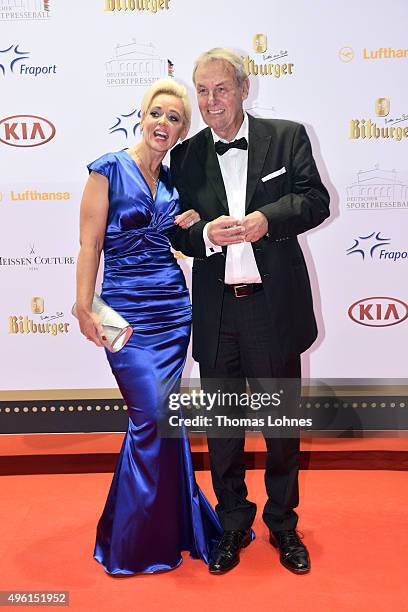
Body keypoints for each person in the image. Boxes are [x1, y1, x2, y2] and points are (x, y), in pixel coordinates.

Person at [170, 48, 330, 575]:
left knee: (280, 427)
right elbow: (178, 230)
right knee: (223, 429)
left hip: (272, 308)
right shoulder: (186, 156)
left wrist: (267, 218)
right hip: (217, 312)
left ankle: (284, 526)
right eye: (203, 91)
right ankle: (232, 524)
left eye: (221, 89)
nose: (211, 101)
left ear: (243, 88)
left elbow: (315, 199)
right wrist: (203, 236)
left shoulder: (287, 137)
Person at [75, 78, 222, 575]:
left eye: (175, 118)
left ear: (183, 130)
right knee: (148, 418)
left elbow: (184, 237)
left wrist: (192, 221)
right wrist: (83, 307)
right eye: (157, 113)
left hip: (172, 309)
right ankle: (135, 541)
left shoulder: (177, 178)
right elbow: (90, 246)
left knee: (166, 420)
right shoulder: (108, 169)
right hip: (122, 310)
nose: (164, 124)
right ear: (142, 116)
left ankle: (174, 528)